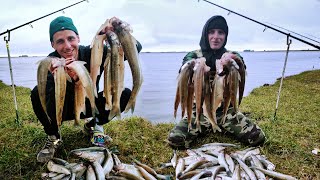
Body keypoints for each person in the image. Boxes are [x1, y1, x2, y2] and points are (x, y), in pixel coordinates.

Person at [30, 16, 142, 163]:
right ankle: (54, 137)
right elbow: (50, 105)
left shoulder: (94, 51)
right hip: (65, 108)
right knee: (37, 93)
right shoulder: (51, 63)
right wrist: (71, 80)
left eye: (71, 38)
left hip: (92, 104)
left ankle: (94, 126)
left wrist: (118, 31)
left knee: (125, 94)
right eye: (60, 41)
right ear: (53, 45)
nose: (68, 46)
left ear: (78, 38)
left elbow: (136, 48)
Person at [167, 15, 266, 149]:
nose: (216, 36)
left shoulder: (230, 54)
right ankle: (205, 125)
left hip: (226, 112)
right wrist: (194, 66)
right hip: (200, 113)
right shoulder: (194, 54)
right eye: (211, 32)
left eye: (221, 32)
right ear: (205, 34)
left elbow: (241, 64)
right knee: (175, 140)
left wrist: (234, 59)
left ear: (225, 36)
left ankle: (222, 124)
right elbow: (185, 64)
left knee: (257, 138)